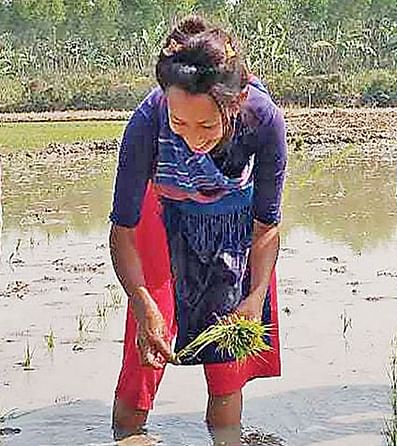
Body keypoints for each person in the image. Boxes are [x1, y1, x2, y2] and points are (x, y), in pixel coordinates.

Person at [108, 16, 286, 444]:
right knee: (147, 346)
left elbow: (267, 226)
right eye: (180, 124)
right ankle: (127, 432)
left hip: (236, 223)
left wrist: (255, 295)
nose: (192, 139)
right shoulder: (147, 122)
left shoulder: (264, 121)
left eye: (207, 126)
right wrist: (141, 299)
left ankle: (226, 436)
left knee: (227, 355)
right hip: (163, 212)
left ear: (237, 102)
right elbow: (122, 231)